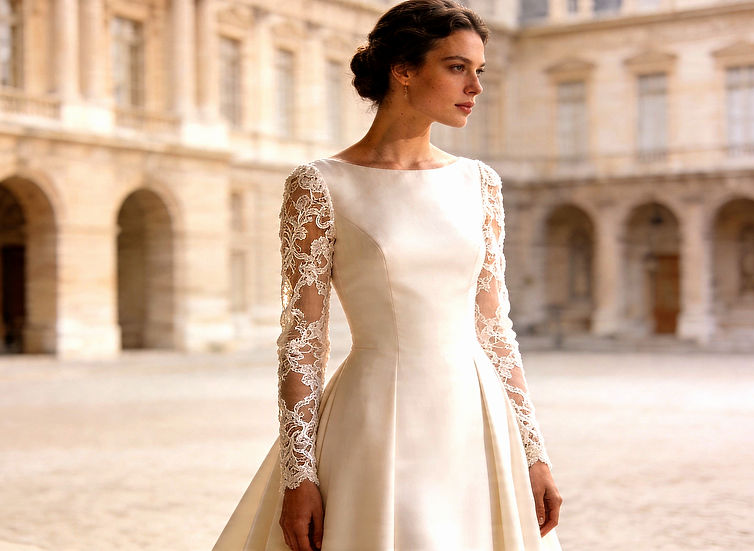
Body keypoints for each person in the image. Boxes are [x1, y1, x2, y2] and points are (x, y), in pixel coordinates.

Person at [214, 1, 563, 549]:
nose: (475, 86)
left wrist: (534, 451)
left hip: (476, 419)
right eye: (456, 67)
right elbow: (302, 340)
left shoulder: (480, 183)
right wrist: (298, 474)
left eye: (480, 71)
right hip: (375, 419)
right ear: (403, 69)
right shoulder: (320, 185)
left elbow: (495, 328)